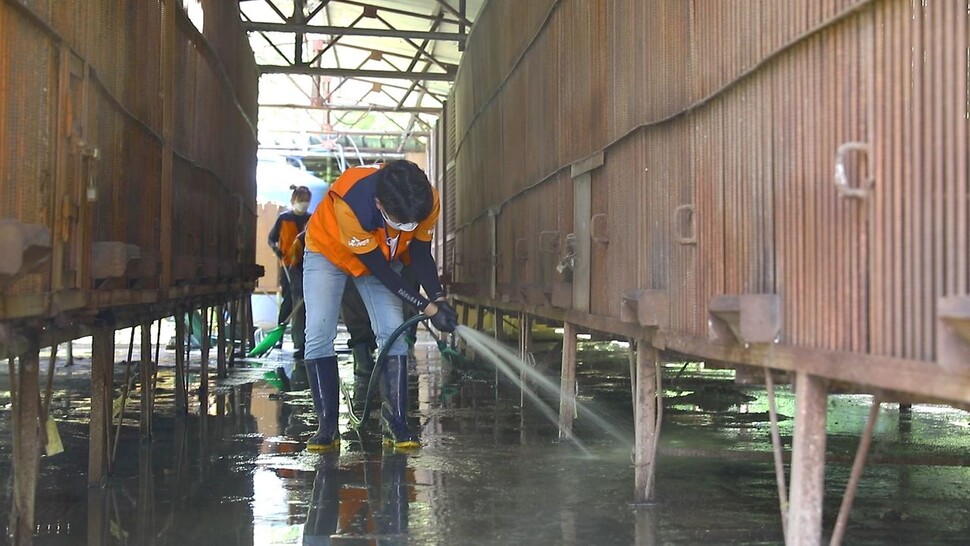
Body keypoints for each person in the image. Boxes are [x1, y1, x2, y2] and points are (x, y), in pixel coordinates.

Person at [303, 160, 458, 451]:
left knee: (392, 331)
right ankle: (327, 426)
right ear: (378, 204)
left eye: (413, 222)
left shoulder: (425, 199)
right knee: (318, 332)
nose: (409, 227)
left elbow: (421, 254)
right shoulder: (351, 202)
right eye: (401, 222)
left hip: (383, 254)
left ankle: (396, 421)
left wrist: (438, 298)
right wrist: (428, 309)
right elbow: (381, 272)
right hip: (329, 252)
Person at [268, 185, 312, 359]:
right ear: (294, 201)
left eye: (306, 201)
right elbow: (271, 239)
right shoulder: (284, 218)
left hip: (306, 264)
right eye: (301, 201)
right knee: (290, 299)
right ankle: (280, 333)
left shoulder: (311, 219)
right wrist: (276, 249)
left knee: (302, 301)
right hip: (288, 264)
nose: (304, 204)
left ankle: (301, 339)